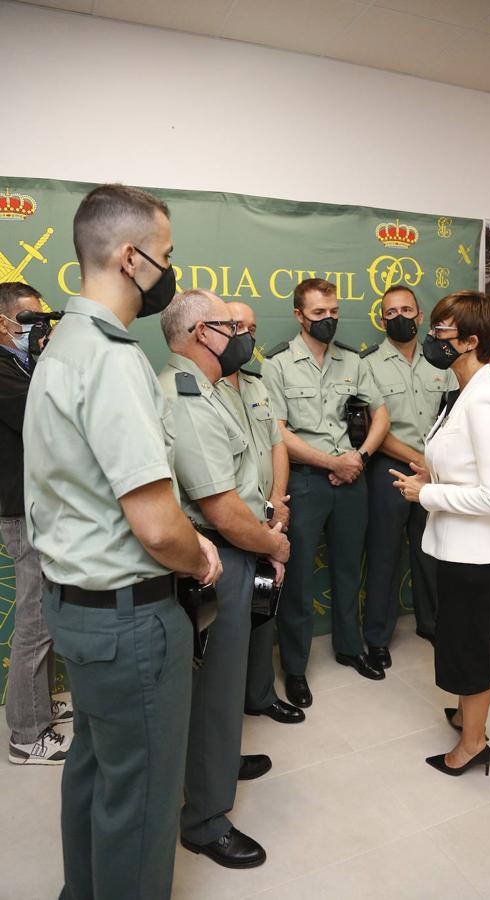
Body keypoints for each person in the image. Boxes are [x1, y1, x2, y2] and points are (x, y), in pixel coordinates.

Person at [23, 184, 220, 900]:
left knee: (96, 773)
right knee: (138, 805)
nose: (169, 270)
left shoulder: (64, 343)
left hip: (79, 609)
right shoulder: (110, 358)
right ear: (132, 257)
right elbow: (158, 525)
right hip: (129, 620)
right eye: (165, 256)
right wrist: (201, 555)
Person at [159, 290, 290, 869]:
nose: (238, 333)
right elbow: (221, 510)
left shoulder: (214, 389)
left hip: (237, 548)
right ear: (196, 334)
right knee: (214, 691)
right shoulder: (186, 395)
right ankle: (206, 819)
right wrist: (275, 543)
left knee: (225, 680)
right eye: (225, 325)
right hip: (219, 557)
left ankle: (220, 763)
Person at [392, 291, 490, 777]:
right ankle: (468, 714)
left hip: (476, 550)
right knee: (458, 637)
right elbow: (466, 472)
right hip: (457, 545)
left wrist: (426, 497)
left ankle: (473, 743)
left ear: (469, 342)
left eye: (442, 332)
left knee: (470, 643)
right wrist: (434, 480)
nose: (431, 338)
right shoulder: (464, 391)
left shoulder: (485, 400)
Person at [261, 278, 389, 709]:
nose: (328, 320)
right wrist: (331, 463)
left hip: (353, 479)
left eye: (333, 312)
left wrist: (360, 459)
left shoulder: (353, 359)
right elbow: (278, 432)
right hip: (305, 481)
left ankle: (350, 648)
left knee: (350, 569)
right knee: (297, 581)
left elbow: (381, 414)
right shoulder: (277, 364)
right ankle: (295, 668)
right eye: (318, 314)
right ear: (299, 315)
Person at [361, 286, 457, 668]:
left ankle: (430, 622)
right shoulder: (367, 364)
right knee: (384, 553)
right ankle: (377, 636)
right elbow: (373, 429)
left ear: (420, 317)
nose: (399, 316)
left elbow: (451, 416)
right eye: (390, 311)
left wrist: (435, 465)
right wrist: (419, 460)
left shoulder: (441, 362)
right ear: (381, 319)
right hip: (392, 469)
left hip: (434, 472)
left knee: (430, 549)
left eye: (406, 310)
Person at [219, 300, 303, 724]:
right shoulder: (202, 389)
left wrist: (278, 503)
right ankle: (227, 710)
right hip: (229, 522)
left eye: (252, 328)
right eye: (236, 326)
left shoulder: (255, 384)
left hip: (270, 513)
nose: (246, 337)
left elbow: (277, 444)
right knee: (227, 624)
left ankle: (260, 694)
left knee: (264, 607)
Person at [0, 282, 72, 766]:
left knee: (44, 614)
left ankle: (39, 707)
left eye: (43, 318)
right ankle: (26, 733)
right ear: (3, 322)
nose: (39, 328)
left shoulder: (21, 365)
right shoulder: (2, 370)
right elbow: (42, 416)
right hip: (21, 511)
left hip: (38, 505)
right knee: (35, 621)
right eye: (29, 320)